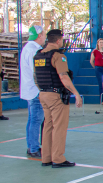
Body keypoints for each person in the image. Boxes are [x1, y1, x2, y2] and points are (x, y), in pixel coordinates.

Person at [33, 29, 83, 167]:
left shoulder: (38, 55)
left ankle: (46, 157)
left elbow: (35, 77)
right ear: (58, 40)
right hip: (56, 95)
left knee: (47, 126)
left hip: (43, 94)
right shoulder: (57, 56)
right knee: (59, 127)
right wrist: (76, 94)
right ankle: (58, 158)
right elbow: (63, 76)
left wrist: (43, 90)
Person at [19, 25, 46, 157]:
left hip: (31, 89)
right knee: (36, 119)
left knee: (32, 119)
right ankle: (34, 148)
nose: (45, 37)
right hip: (35, 90)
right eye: (44, 34)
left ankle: (32, 145)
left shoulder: (28, 48)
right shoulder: (33, 51)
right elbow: (36, 72)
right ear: (39, 35)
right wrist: (41, 89)